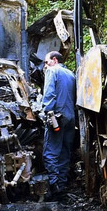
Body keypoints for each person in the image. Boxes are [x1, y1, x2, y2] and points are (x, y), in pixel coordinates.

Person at [40, 50, 77, 197]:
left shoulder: (52, 71)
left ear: (54, 60)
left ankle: (53, 186)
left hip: (57, 118)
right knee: (65, 152)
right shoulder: (71, 74)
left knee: (50, 152)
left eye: (47, 61)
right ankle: (61, 185)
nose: (45, 65)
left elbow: (49, 93)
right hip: (70, 117)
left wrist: (46, 112)